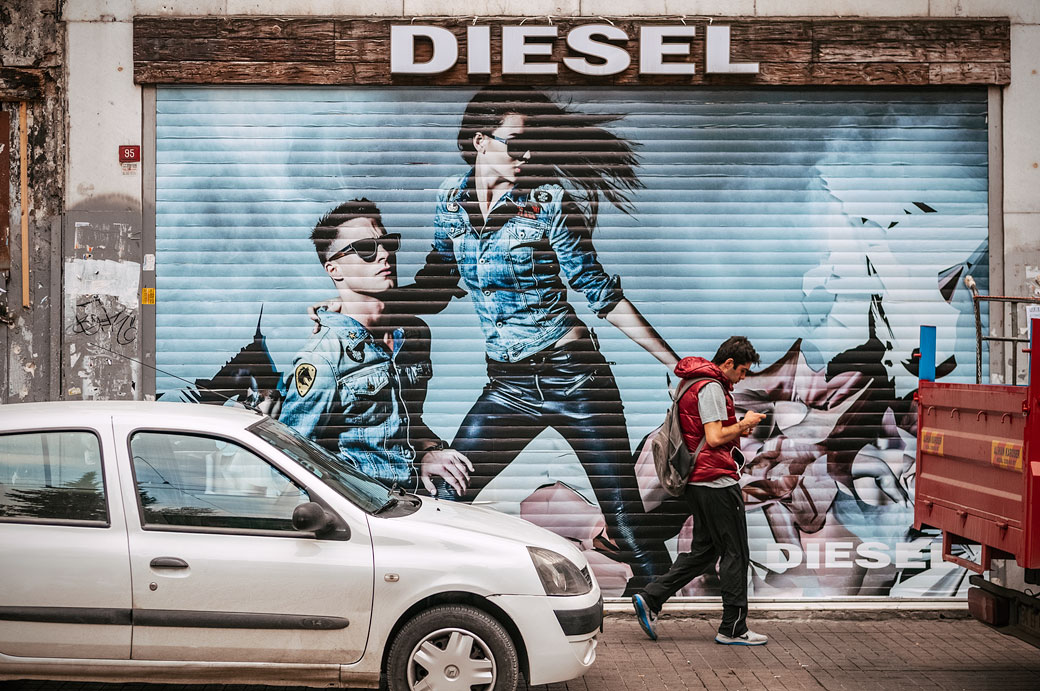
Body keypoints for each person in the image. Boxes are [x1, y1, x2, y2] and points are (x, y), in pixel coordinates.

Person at [397, 87, 680, 588]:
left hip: (576, 378)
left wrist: (675, 364)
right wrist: (359, 304)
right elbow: (436, 286)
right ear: (481, 141)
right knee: (446, 497)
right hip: (508, 388)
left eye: (533, 145)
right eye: (516, 143)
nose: (527, 154)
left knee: (627, 527)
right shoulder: (449, 201)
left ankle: (673, 614)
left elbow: (599, 291)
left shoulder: (549, 202)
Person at [280, 199, 473, 495]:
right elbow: (288, 460)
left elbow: (403, 421)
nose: (384, 254)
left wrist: (429, 451)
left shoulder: (414, 336)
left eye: (387, 243)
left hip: (413, 499)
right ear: (334, 269)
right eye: (365, 249)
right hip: (362, 506)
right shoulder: (324, 358)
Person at [632, 336, 769, 645]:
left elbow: (703, 434)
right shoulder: (711, 387)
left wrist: (738, 427)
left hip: (699, 481)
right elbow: (715, 436)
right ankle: (733, 628)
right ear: (729, 363)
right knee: (735, 552)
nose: (743, 378)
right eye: (743, 371)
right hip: (716, 482)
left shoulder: (692, 382)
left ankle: (651, 597)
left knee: (704, 552)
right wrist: (743, 423)